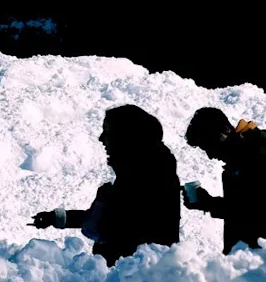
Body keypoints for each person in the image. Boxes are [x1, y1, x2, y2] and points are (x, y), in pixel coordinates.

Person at [30, 105, 181, 266]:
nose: (101, 138)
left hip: (134, 276)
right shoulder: (141, 170)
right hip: (134, 274)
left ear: (126, 136)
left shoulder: (148, 176)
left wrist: (102, 201)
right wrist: (58, 218)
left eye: (107, 131)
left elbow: (117, 227)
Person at [182, 107, 266, 254]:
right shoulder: (237, 165)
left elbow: (254, 214)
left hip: (263, 258)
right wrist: (206, 203)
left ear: (225, 132)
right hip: (247, 258)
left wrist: (208, 203)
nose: (210, 155)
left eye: (209, 145)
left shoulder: (258, 160)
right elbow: (241, 209)